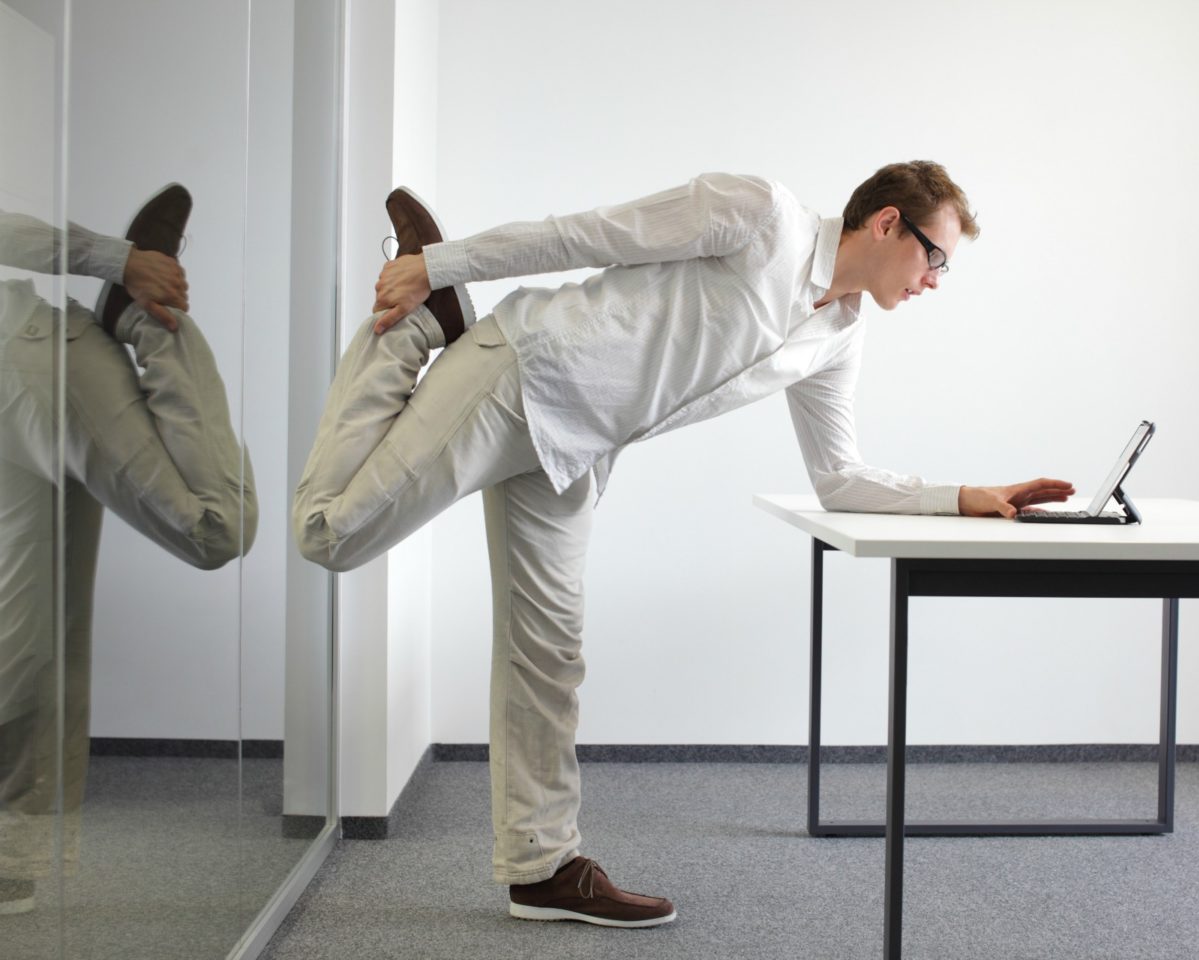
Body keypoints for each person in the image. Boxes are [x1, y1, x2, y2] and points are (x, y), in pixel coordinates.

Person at [292, 161, 1075, 928]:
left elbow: (839, 477)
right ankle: (423, 326)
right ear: (885, 223)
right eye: (934, 257)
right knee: (329, 535)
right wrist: (439, 264)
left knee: (549, 656)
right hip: (522, 380)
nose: (934, 279)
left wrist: (964, 498)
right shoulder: (763, 215)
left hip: (576, 452)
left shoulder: (838, 334)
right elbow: (589, 235)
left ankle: (541, 869)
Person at [0, 186, 256, 918]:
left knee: (217, 530)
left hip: (27, 358)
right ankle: (12, 858)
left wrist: (121, 262)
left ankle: (148, 323)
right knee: (30, 635)